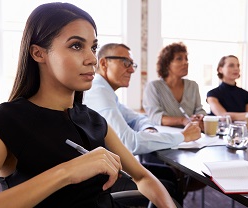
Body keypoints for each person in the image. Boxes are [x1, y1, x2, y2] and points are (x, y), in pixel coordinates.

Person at [0, 3, 176, 208]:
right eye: (76, 46)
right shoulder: (7, 121)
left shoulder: (95, 121)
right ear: (38, 53)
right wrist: (66, 172)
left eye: (93, 47)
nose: (92, 59)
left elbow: (143, 177)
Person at [84, 43, 202, 204]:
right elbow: (129, 143)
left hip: (111, 168)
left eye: (132, 64)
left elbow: (136, 118)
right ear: (104, 63)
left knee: (168, 174)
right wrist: (183, 136)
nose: (132, 70)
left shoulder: (107, 92)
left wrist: (148, 128)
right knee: (167, 186)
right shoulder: (98, 92)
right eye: (125, 62)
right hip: (101, 180)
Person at [142, 42, 206, 129]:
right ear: (167, 64)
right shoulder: (153, 87)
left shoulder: (193, 86)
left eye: (186, 59)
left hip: (192, 134)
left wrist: (200, 116)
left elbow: (199, 109)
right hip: (165, 137)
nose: (185, 62)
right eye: (179, 59)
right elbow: (155, 117)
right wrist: (182, 120)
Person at [207, 55, 248, 121]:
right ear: (220, 69)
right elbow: (223, 116)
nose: (236, 68)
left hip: (242, 131)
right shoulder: (212, 94)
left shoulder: (246, 94)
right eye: (231, 65)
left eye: (238, 66)